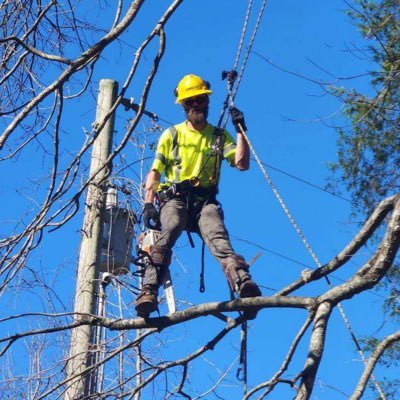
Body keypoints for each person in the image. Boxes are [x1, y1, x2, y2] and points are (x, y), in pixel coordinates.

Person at [135, 74, 261, 318]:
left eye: (199, 100)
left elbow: (242, 164)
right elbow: (155, 172)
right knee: (169, 227)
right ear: (183, 105)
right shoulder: (172, 135)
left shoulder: (218, 136)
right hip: (176, 198)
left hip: (205, 201)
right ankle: (148, 290)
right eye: (190, 101)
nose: (195, 105)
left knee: (218, 236)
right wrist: (148, 204)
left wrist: (240, 132)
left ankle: (243, 283)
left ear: (206, 101)